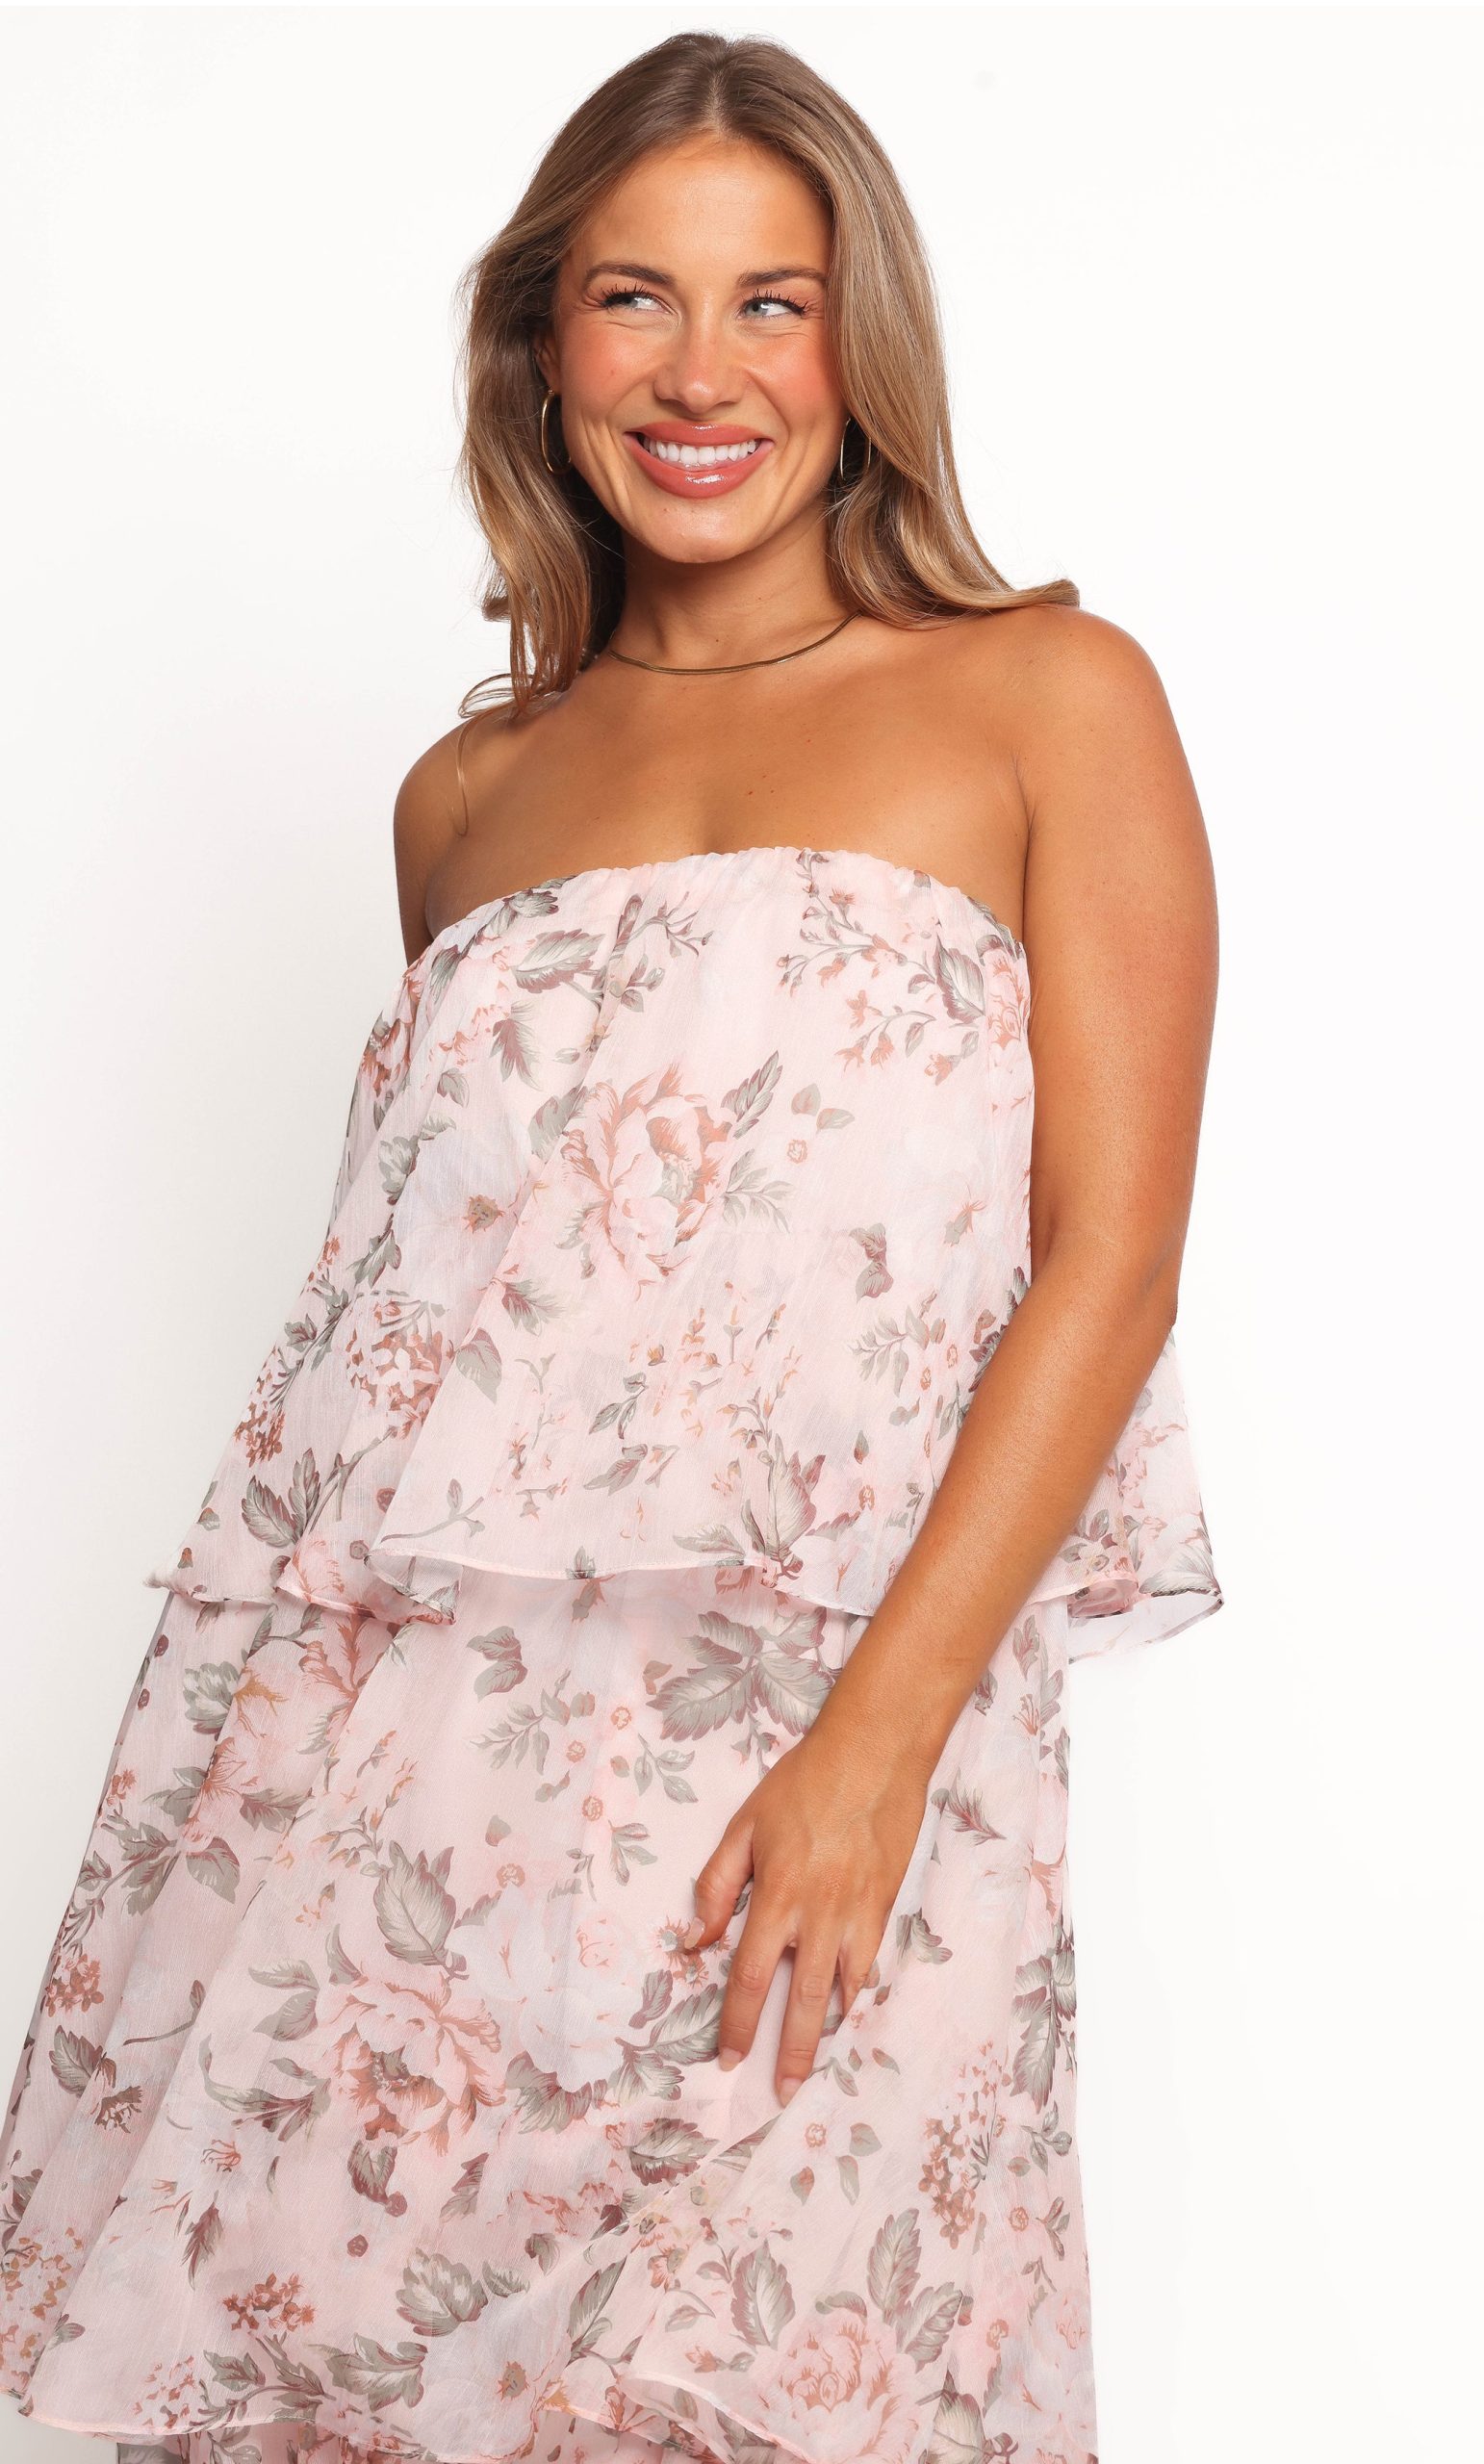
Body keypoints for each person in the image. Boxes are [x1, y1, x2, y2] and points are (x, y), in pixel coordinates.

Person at [0, 31, 1221, 2464]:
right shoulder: (466, 794)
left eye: (773, 304)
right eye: (635, 298)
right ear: (542, 339)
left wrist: (874, 1746)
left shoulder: (1046, 697)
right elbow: (420, 1349)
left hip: (833, 1754)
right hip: (414, 1789)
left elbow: (1107, 1259)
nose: (699, 373)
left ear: (862, 349)